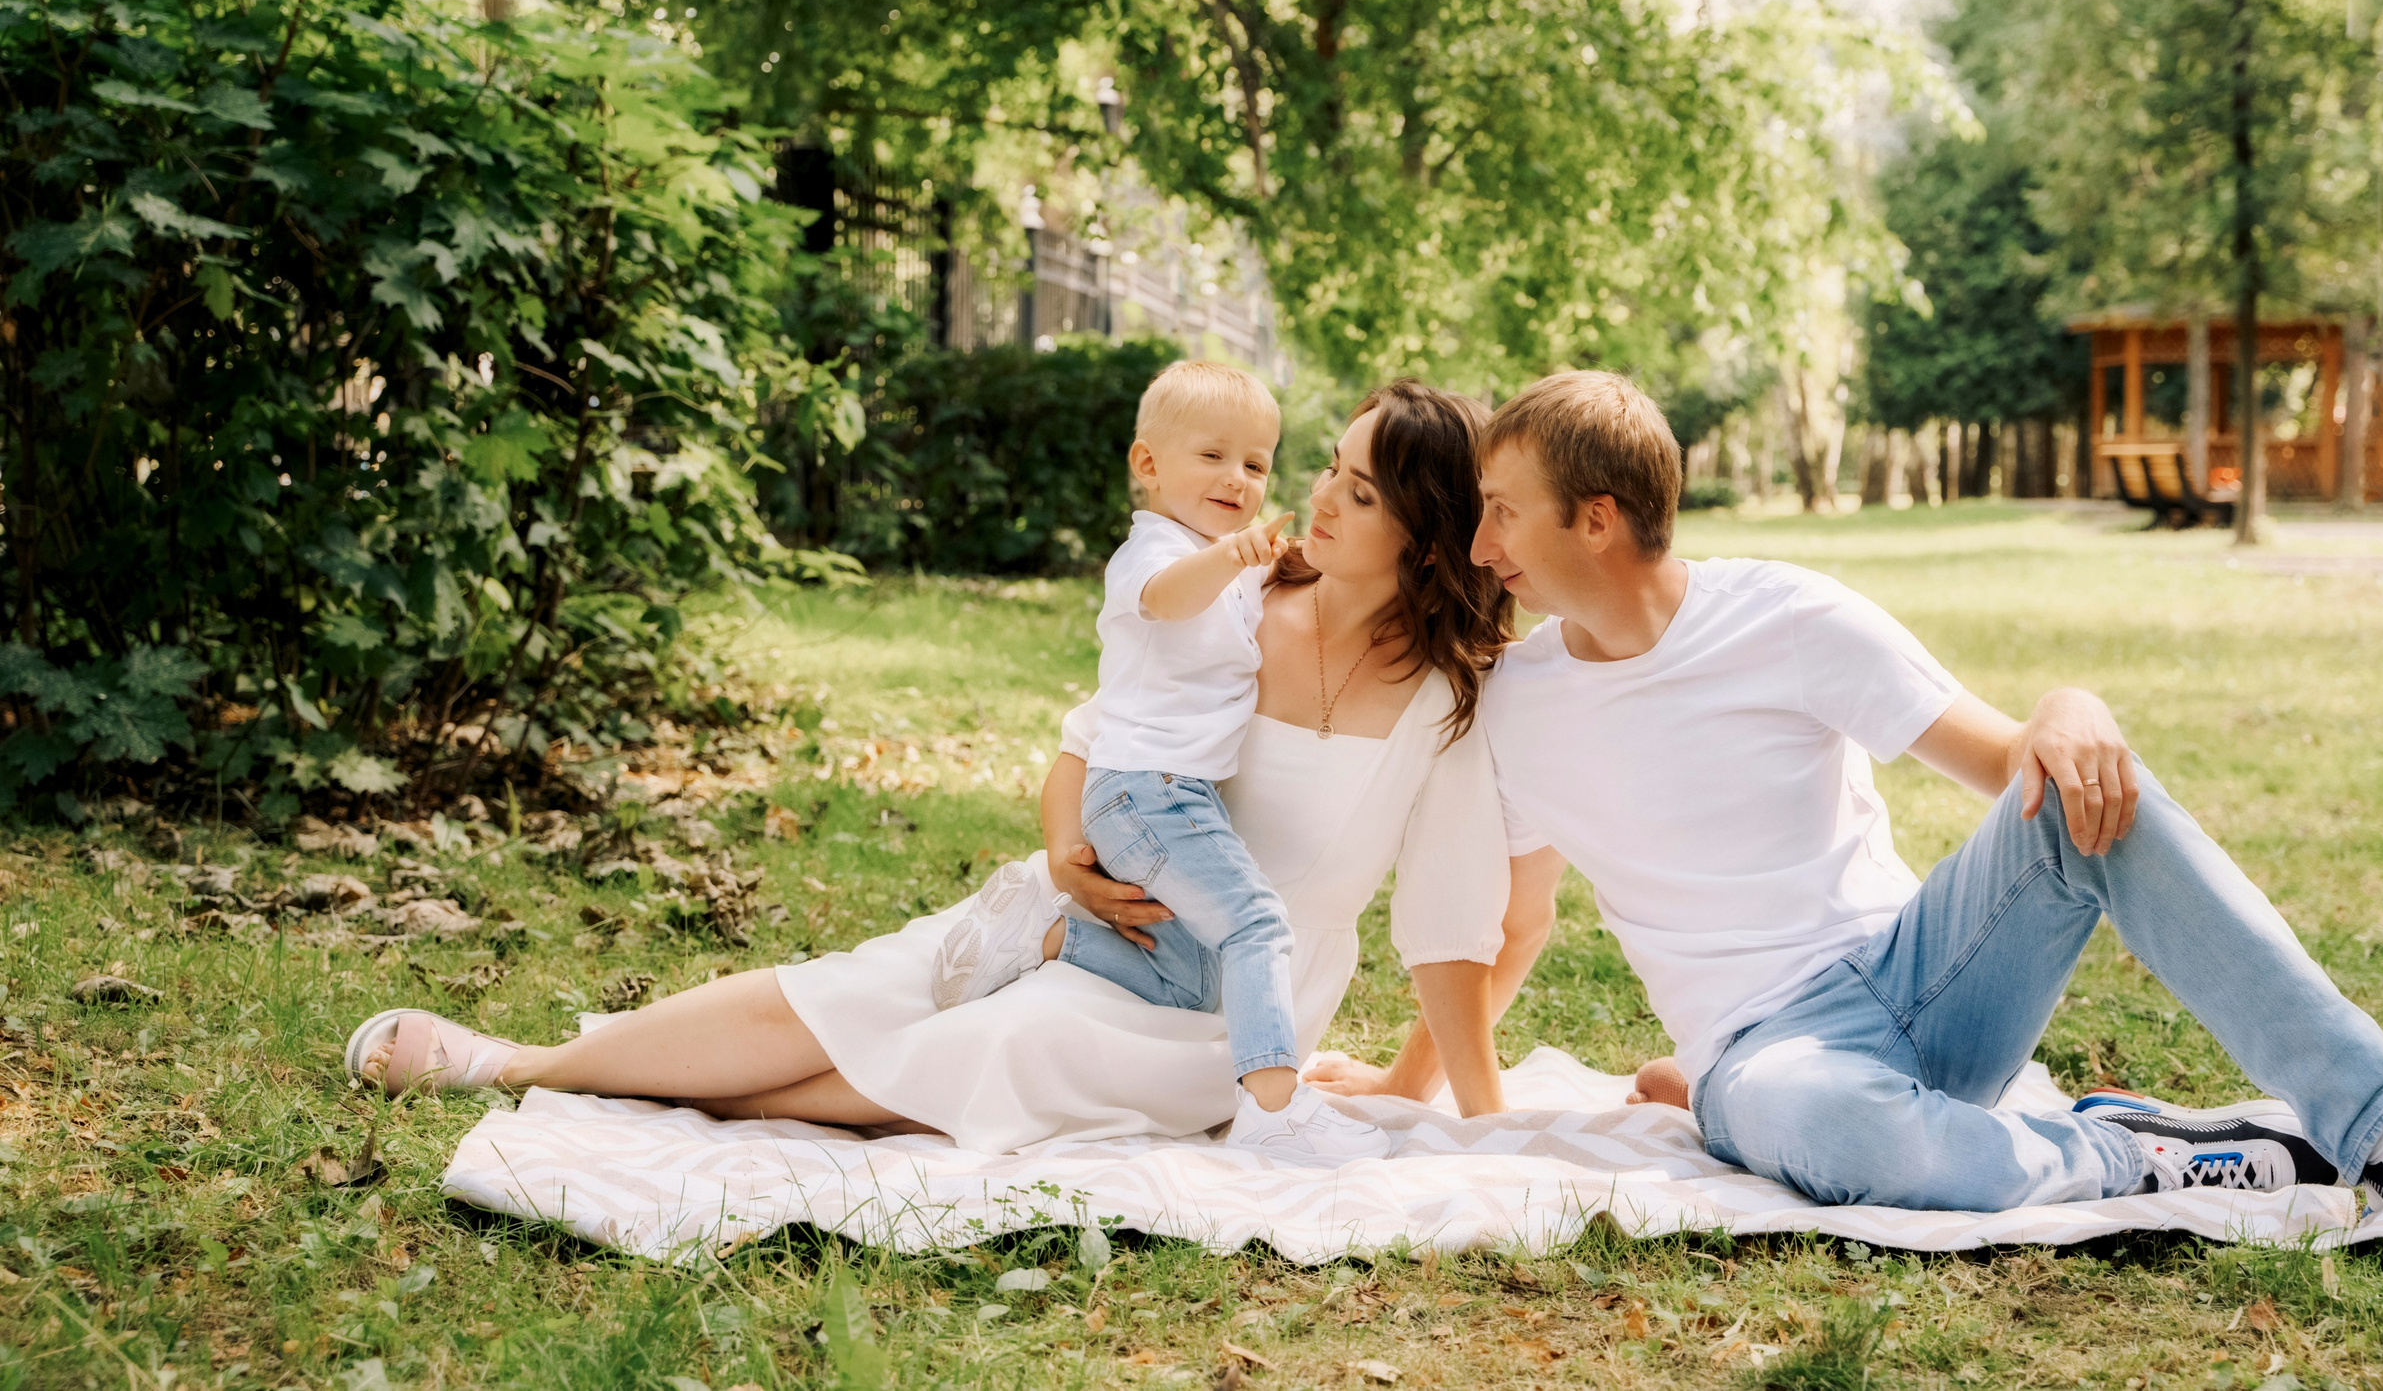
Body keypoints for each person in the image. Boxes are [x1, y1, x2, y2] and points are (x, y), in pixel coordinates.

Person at [1332, 369, 2383, 1275]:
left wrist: (2073, 707)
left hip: (1921, 974)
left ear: (1594, 518)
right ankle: (2146, 1159)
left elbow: (2010, 767)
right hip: (1770, 1052)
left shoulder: (1792, 618)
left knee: (2098, 797)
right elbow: (1510, 918)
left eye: (1503, 510)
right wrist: (1420, 1090)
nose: (1482, 544)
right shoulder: (1524, 709)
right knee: (1795, 1115)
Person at [342, 381, 1517, 1157]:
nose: (1312, 497)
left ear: (1423, 532)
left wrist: (1435, 1100)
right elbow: (1090, 736)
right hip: (1093, 899)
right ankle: (519, 1063)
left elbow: (1462, 925)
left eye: (1357, 493)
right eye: (1327, 466)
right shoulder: (1234, 594)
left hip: (1211, 1006)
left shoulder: (1446, 699)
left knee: (1001, 1044)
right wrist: (1065, 858)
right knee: (871, 981)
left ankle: (642, 1109)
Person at [923, 359, 1379, 1158]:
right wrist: (1237, 557)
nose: (1237, 478)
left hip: (1172, 794)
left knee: (1190, 977)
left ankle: (1043, 935)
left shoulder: (1224, 560)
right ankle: (1274, 1112)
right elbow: (1169, 597)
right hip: (1148, 790)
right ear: (1148, 465)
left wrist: (1265, 561)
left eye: (1256, 464)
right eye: (1213, 455)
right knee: (1258, 924)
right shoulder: (1153, 550)